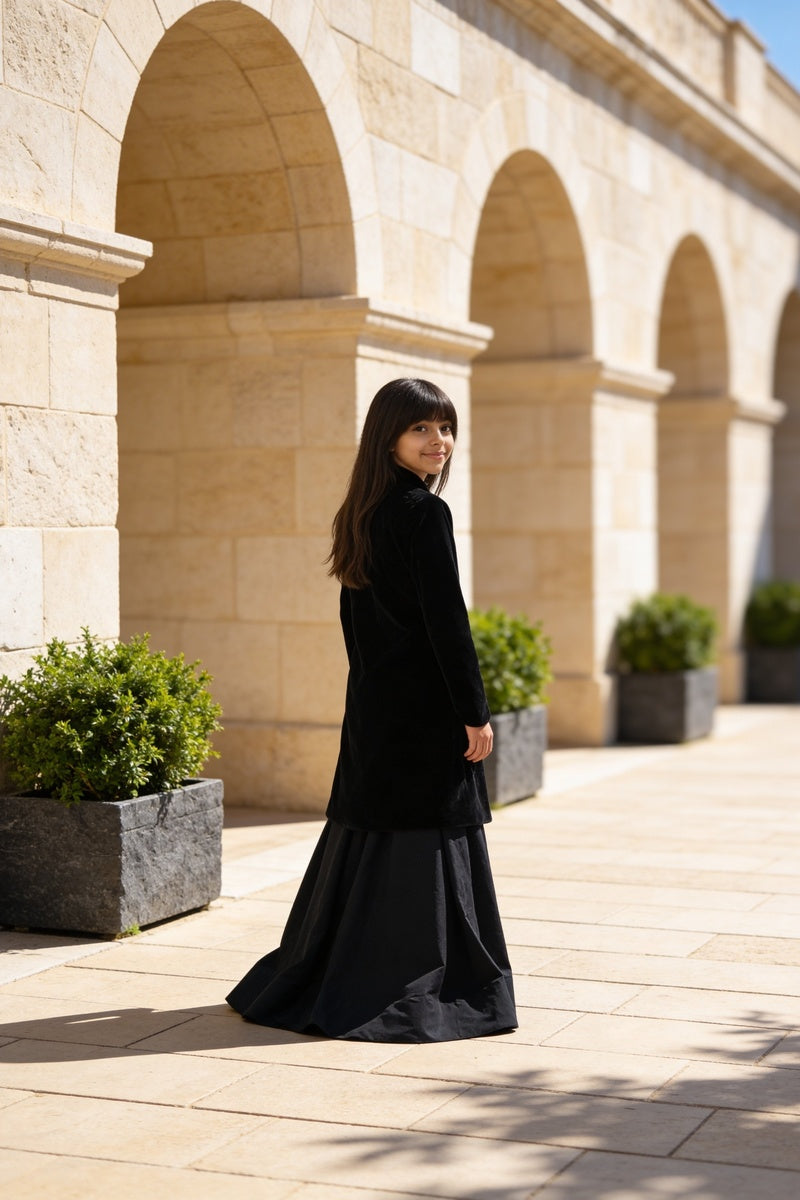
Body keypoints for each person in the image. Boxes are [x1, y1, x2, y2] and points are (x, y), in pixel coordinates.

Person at [226, 377, 517, 1042]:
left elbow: (358, 627)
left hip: (376, 709)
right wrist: (474, 712)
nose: (438, 441)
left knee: (369, 835)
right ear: (388, 436)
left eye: (445, 428)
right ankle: (413, 979)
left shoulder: (361, 513)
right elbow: (449, 624)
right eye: (421, 429)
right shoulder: (422, 513)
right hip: (424, 713)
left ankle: (334, 970)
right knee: (424, 835)